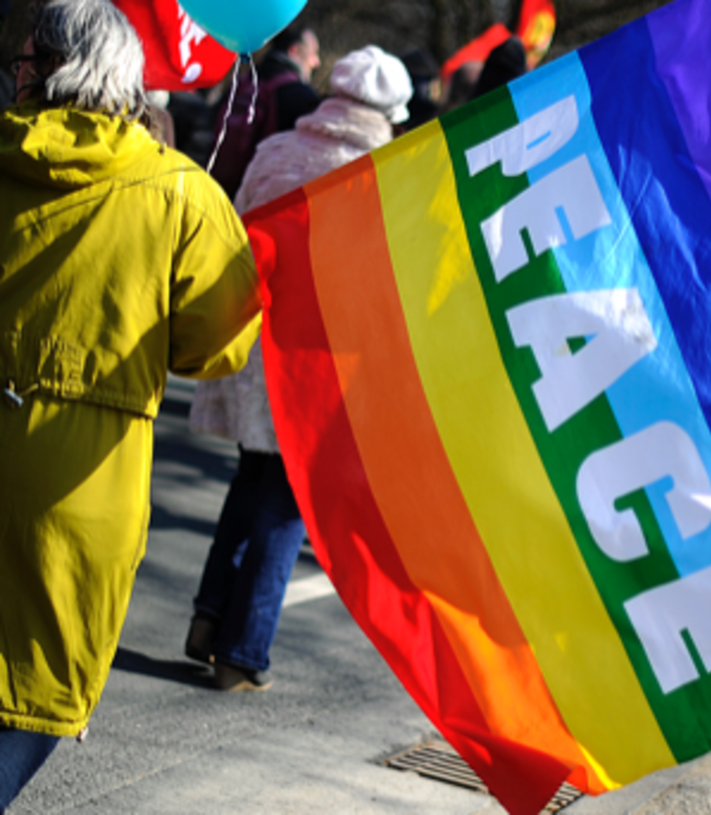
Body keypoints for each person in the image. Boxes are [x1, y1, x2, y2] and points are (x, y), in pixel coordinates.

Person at [0, 0, 261, 803]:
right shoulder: (180, 193)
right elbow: (218, 345)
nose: (13, 68)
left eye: (23, 57)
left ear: (50, 66)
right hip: (83, 484)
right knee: (35, 689)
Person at [186, 46, 413, 692]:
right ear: (389, 112)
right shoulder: (385, 175)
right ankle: (242, 651)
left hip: (257, 343)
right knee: (288, 508)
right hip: (321, 362)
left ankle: (207, 619)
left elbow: (235, 233)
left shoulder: (277, 151)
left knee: (250, 478)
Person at [207, 21, 322, 198]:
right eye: (313, 53)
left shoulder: (244, 80)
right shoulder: (299, 95)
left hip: (214, 185)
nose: (316, 62)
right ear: (294, 51)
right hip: (255, 197)